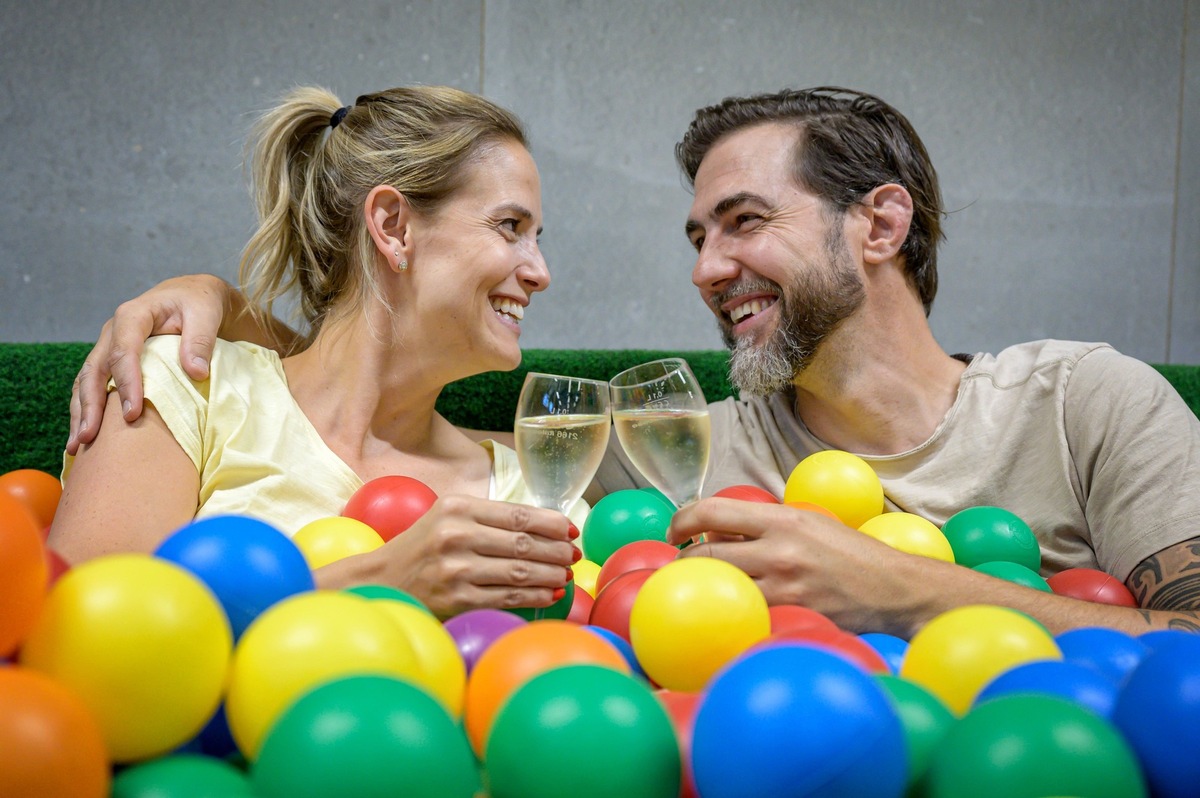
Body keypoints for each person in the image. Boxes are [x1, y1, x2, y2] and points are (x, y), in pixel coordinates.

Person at [67, 87, 1200, 639]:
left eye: (745, 222)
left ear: (883, 224)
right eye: (514, 230)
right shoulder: (673, 461)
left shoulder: (1081, 400)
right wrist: (205, 302)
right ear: (393, 228)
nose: (708, 270)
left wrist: (897, 590)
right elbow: (72, 632)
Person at [51, 84, 584, 619]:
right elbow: (86, 636)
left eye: (537, 237)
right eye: (510, 227)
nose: (541, 273)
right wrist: (380, 580)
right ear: (394, 227)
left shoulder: (534, 494)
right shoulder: (187, 385)